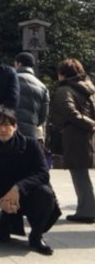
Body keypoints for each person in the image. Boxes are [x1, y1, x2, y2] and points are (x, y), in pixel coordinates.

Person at [0, 106, 60, 256]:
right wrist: (0, 202)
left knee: (45, 193)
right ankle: (5, 221)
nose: (3, 129)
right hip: (3, 194)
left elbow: (43, 173)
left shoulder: (31, 144)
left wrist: (18, 188)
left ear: (15, 126)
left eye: (7, 125)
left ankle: (36, 236)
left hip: (30, 191)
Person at [50, 58, 95, 223]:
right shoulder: (89, 88)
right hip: (88, 136)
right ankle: (87, 208)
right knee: (82, 172)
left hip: (75, 136)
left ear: (61, 74)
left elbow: (69, 111)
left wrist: (90, 124)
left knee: (79, 173)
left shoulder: (65, 90)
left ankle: (87, 211)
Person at [14, 52, 49, 140]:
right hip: (31, 133)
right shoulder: (42, 87)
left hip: (10, 130)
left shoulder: (10, 80)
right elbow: (43, 116)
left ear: (19, 64)